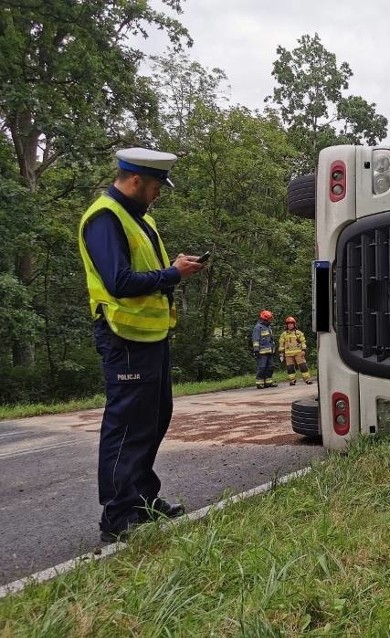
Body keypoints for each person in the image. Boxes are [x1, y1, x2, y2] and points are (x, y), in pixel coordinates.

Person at [78, 147, 207, 542]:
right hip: (123, 336)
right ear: (135, 181)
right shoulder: (104, 218)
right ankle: (118, 516)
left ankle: (142, 501)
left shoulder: (139, 219)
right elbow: (118, 282)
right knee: (128, 423)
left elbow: (143, 272)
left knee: (153, 418)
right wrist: (172, 274)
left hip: (149, 336)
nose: (157, 195)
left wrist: (172, 267)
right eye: (155, 187)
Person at [278, 316, 312, 386]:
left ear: (294, 324)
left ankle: (307, 379)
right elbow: (281, 344)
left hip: (299, 353)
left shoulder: (298, 333)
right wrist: (281, 352)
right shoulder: (284, 334)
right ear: (286, 325)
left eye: (291, 323)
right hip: (288, 354)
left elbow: (303, 342)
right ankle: (292, 380)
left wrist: (303, 350)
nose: (290, 325)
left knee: (303, 366)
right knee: (290, 368)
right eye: (288, 324)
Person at [252, 310, 278, 389]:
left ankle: (268, 382)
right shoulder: (258, 327)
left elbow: (270, 339)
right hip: (261, 352)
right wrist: (256, 350)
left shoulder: (268, 327)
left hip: (269, 351)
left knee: (270, 367)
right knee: (262, 367)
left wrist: (273, 348)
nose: (271, 320)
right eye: (269, 319)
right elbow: (255, 339)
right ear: (265, 319)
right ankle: (259, 383)